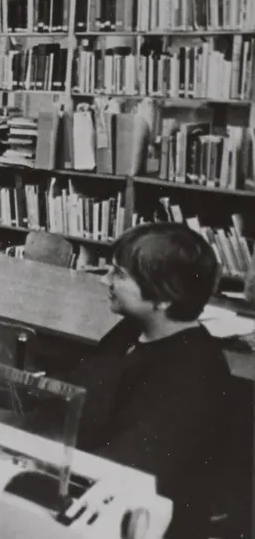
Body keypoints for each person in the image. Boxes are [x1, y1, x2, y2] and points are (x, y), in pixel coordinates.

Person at [63, 222, 231, 539]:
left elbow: (128, 466)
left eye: (119, 275)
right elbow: (80, 381)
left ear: (164, 298)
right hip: (90, 478)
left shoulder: (190, 373)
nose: (105, 281)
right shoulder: (133, 329)